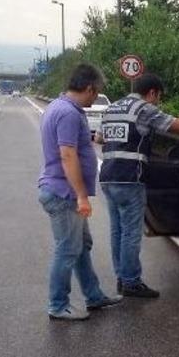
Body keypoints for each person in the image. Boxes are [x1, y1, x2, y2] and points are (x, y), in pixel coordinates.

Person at [99, 73, 179, 297]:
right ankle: (131, 281)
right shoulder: (143, 108)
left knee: (117, 231)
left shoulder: (112, 108)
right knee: (131, 233)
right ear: (152, 93)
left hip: (107, 176)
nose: (158, 102)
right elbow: (172, 124)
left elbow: (99, 138)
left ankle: (121, 277)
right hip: (130, 178)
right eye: (158, 97)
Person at [37, 63, 121, 321]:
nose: (95, 98)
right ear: (88, 88)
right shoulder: (69, 113)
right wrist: (82, 196)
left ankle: (93, 295)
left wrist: (92, 138)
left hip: (62, 191)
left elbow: (73, 145)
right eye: (96, 93)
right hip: (64, 194)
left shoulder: (58, 107)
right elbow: (67, 154)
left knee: (81, 245)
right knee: (68, 249)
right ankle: (57, 304)